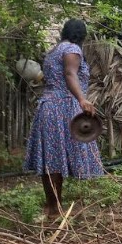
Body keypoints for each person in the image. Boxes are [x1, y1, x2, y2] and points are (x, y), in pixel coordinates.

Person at [24, 19, 105, 218]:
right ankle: (54, 208)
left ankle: (53, 206)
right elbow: (69, 73)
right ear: (81, 35)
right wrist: (82, 99)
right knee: (55, 158)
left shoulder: (53, 52)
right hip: (62, 107)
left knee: (51, 158)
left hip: (48, 106)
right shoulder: (72, 49)